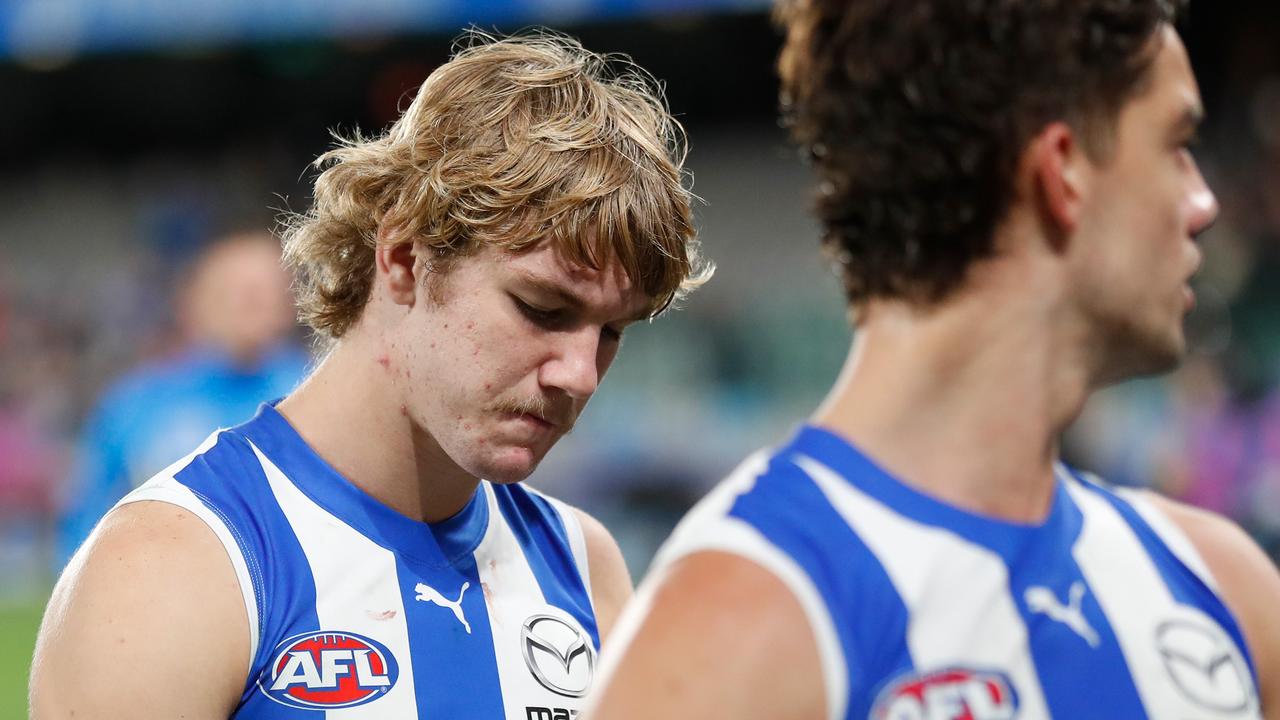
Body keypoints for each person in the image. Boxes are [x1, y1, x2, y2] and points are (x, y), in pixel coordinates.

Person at [586, 2, 1280, 719]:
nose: (1203, 202)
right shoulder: (740, 633)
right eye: (1176, 143)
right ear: (1064, 169)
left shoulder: (1228, 594)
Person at [30, 32, 709, 719]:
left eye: (613, 330)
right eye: (542, 308)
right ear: (405, 258)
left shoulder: (584, 569)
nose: (581, 374)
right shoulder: (169, 570)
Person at [53, 230, 308, 569]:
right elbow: (85, 521)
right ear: (196, 300)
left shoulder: (316, 388)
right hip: (165, 594)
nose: (252, 302)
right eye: (237, 290)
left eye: (265, 290)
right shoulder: (138, 402)